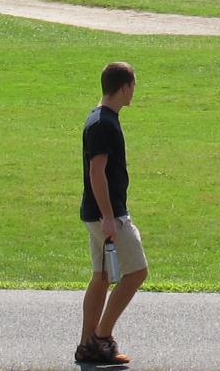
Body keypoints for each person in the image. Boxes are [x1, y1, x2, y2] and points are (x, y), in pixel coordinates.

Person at [76, 61, 148, 365]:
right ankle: (101, 338)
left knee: (102, 277)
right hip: (109, 215)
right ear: (124, 87)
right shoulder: (104, 123)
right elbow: (97, 172)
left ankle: (86, 345)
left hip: (97, 213)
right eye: (133, 86)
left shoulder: (100, 118)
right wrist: (109, 216)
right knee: (136, 272)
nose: (134, 92)